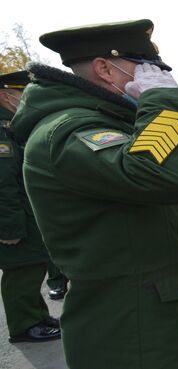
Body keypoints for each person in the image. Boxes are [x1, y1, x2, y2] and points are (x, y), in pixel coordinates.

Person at [11, 20, 178, 369]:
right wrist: (163, 100)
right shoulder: (67, 131)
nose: (155, 76)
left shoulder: (102, 121)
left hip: (152, 319)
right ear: (105, 68)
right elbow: (161, 175)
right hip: (131, 336)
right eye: (146, 67)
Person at [0, 71, 61, 343]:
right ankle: (24, 326)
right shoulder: (2, 132)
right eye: (21, 94)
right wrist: (9, 228)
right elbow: (2, 186)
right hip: (14, 220)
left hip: (24, 215)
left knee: (33, 266)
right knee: (21, 271)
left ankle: (36, 315)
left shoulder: (12, 126)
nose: (25, 99)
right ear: (5, 95)